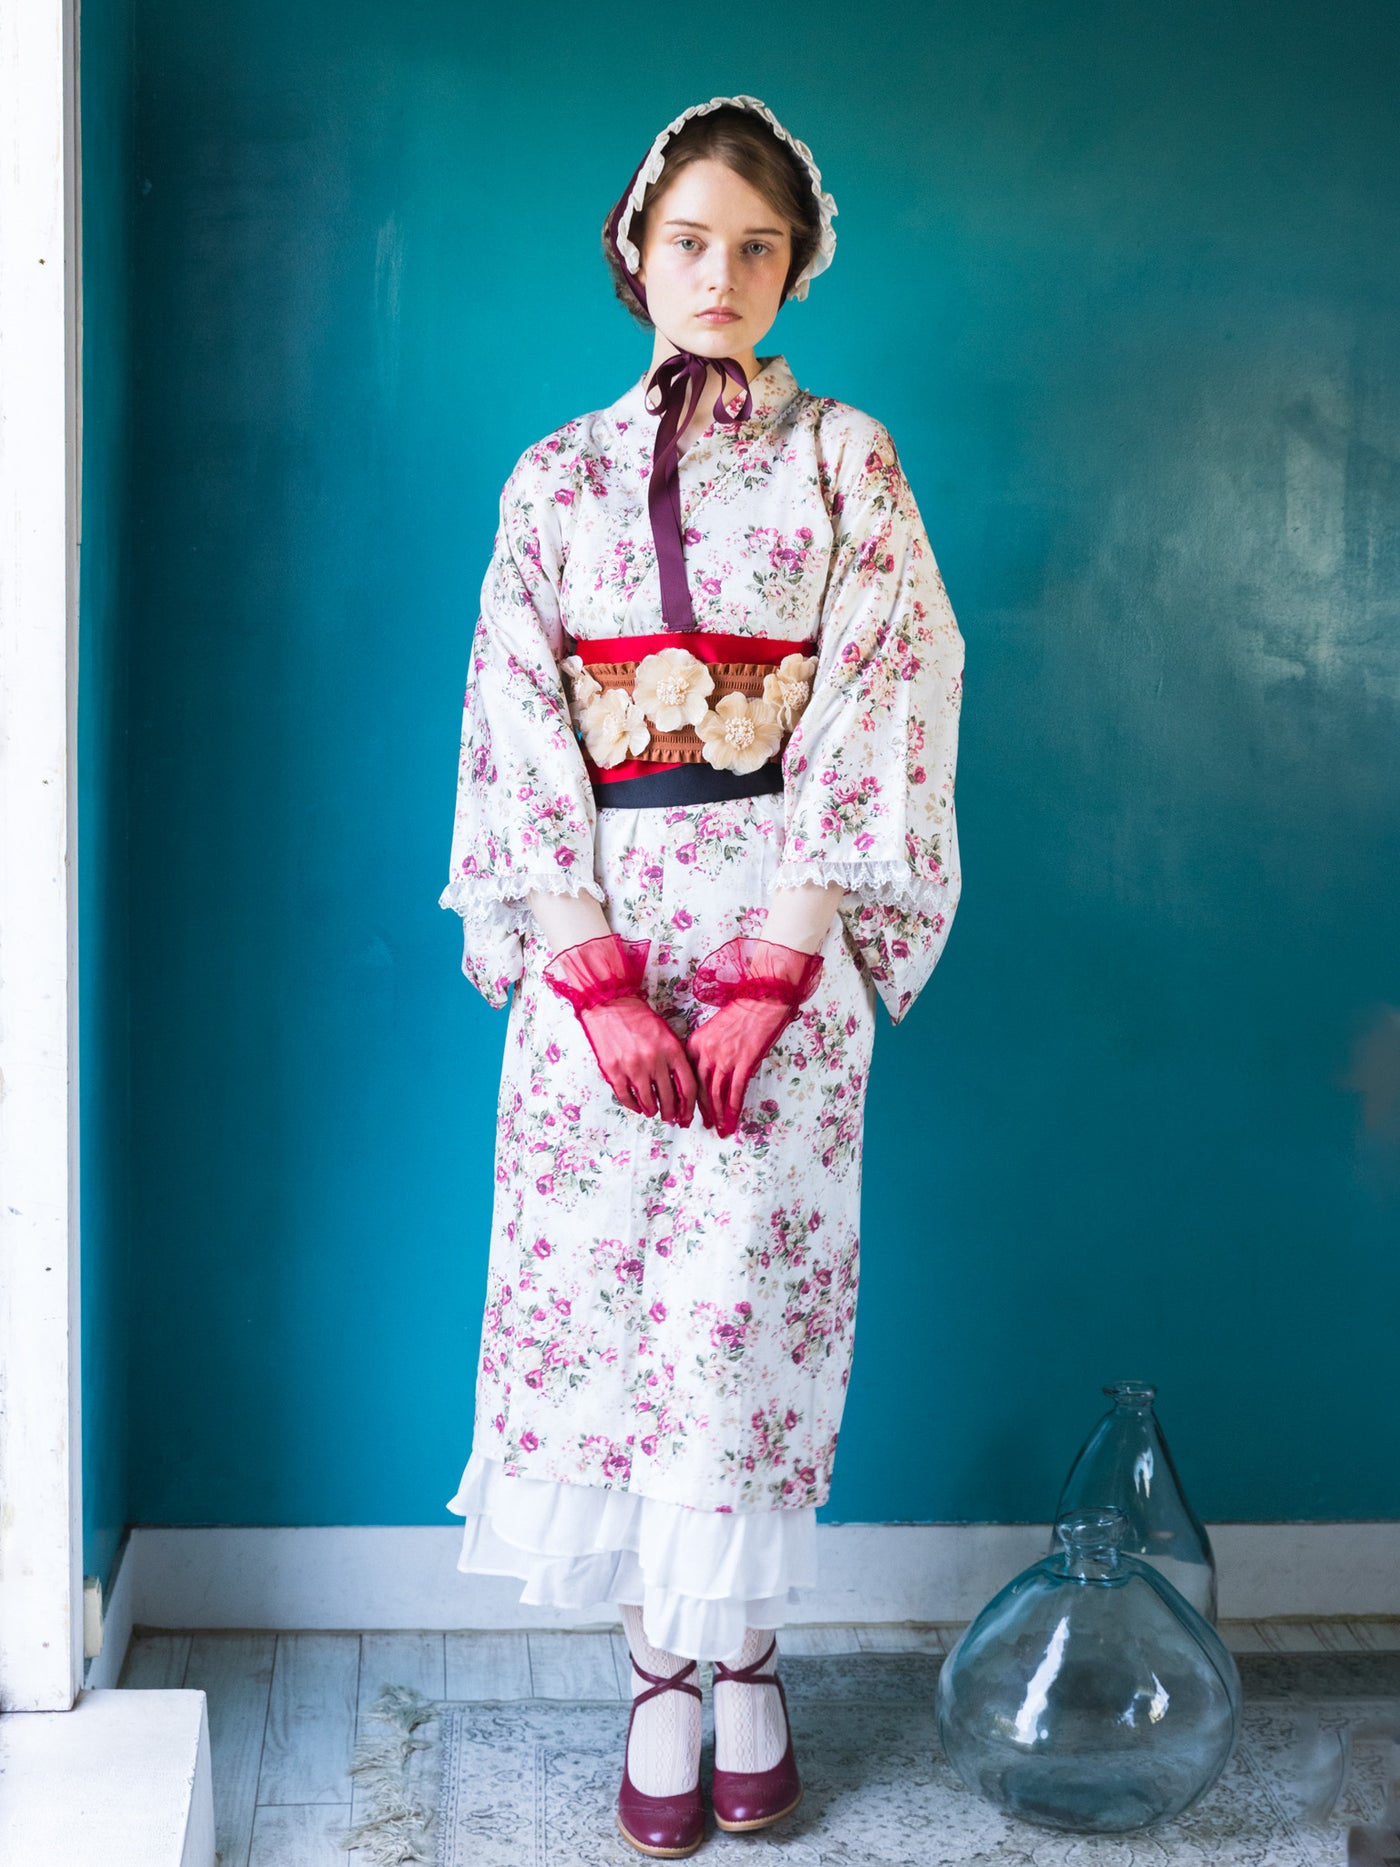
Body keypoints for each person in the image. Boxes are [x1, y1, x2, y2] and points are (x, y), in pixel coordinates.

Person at [439, 93, 965, 1858]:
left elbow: (889, 689)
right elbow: (511, 711)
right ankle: (656, 1669)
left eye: (757, 246)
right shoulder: (553, 476)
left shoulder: (849, 462)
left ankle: (743, 1656)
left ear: (799, 265)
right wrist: (582, 966)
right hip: (596, 935)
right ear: (634, 254)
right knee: (600, 1302)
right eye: (689, 242)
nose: (720, 274)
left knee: (743, 1308)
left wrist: (780, 963)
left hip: (777, 936)